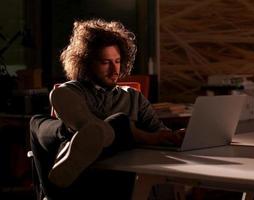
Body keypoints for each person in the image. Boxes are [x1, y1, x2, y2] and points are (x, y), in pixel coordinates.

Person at [29, 19, 184, 200]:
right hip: (69, 185)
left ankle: (89, 131)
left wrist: (177, 137)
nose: (114, 70)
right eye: (105, 62)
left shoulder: (133, 97)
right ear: (86, 62)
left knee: (118, 122)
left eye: (117, 61)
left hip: (108, 183)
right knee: (39, 122)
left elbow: (160, 132)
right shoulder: (72, 92)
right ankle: (80, 132)